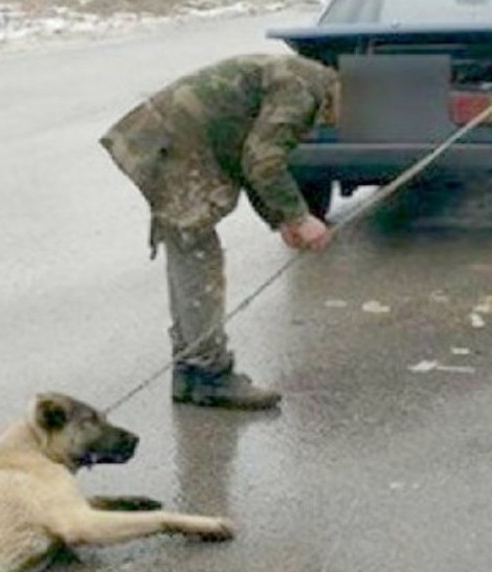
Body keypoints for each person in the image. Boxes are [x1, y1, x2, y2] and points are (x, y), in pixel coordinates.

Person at [101, 53, 339, 410]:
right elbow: (262, 162)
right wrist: (301, 217)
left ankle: (191, 370)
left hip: (171, 138)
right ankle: (210, 375)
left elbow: (250, 157)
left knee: (189, 250)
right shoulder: (302, 91)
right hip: (174, 143)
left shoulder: (307, 80)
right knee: (198, 255)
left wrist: (282, 220)